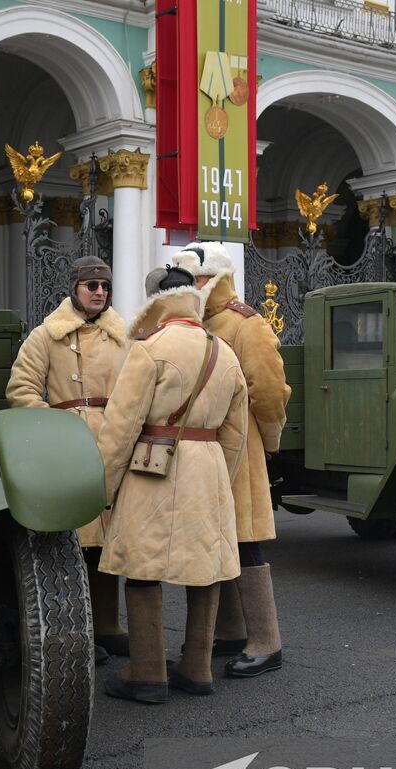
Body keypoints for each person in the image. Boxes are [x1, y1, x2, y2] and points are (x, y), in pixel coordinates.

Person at [96, 265, 248, 704]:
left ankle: (147, 672)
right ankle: (197, 668)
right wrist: (223, 477)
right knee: (205, 570)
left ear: (153, 302)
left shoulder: (149, 348)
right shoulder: (223, 351)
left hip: (153, 467)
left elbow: (121, 426)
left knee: (144, 569)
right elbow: (235, 434)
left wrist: (103, 488)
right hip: (209, 466)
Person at [171, 242, 291, 678]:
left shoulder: (245, 324)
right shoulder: (194, 324)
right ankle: (231, 633)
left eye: (196, 279)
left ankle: (267, 641)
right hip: (203, 447)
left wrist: (268, 441)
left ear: (213, 279)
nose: (190, 287)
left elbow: (271, 392)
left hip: (240, 447)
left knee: (244, 540)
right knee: (216, 538)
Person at [6, 256, 129, 661]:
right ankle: (79, 635)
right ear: (74, 288)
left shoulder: (124, 336)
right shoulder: (46, 336)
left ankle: (109, 627)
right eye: (91, 284)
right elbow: (21, 389)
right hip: (69, 448)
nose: (99, 292)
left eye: (104, 286)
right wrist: (57, 428)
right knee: (73, 544)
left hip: (114, 444)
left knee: (111, 544)